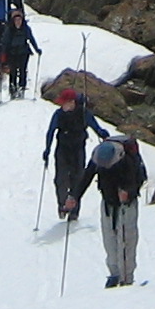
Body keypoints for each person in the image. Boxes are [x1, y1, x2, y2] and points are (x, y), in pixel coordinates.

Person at [86, 134, 149, 286]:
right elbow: (86, 175)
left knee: (126, 240)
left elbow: (139, 180)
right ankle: (114, 275)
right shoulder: (99, 157)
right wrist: (74, 197)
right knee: (110, 240)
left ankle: (126, 278)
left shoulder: (128, 160)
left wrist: (127, 192)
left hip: (126, 205)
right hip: (108, 203)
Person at [43, 89, 108, 220]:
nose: (62, 106)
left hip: (78, 150)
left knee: (77, 180)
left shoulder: (84, 114)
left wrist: (104, 135)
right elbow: (50, 131)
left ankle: (74, 210)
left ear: (72, 102)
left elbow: (96, 127)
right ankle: (63, 205)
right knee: (60, 180)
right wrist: (47, 149)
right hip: (62, 150)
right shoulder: (59, 114)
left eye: (64, 103)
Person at [0, 3, 39, 100]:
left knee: (22, 70)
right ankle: (13, 89)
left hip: (23, 52)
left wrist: (37, 49)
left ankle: (21, 88)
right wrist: (3, 56)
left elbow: (31, 38)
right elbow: (4, 43)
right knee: (13, 71)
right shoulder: (9, 30)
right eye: (16, 20)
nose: (18, 22)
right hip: (12, 53)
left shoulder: (26, 29)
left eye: (19, 20)